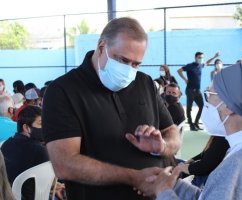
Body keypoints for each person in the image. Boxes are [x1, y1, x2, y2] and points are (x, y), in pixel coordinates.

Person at [42, 17, 181, 200]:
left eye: (136, 64)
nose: (129, 70)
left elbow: (172, 133)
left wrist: (161, 147)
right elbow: (65, 164)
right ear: (101, 47)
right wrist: (133, 178)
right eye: (123, 60)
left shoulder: (143, 82)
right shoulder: (63, 91)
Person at [143, 62, 242, 200]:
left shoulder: (238, 165)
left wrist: (163, 192)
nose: (207, 102)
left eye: (210, 95)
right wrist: (175, 186)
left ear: (229, 107)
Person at [1, 105, 48, 199]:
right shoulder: (40, 150)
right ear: (26, 128)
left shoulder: (5, 144)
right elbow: (46, 184)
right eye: (41, 124)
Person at [177, 51, 220, 131]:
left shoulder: (201, 65)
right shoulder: (190, 66)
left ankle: (196, 123)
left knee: (202, 107)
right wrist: (185, 79)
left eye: (202, 57)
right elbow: (179, 70)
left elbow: (207, 62)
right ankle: (191, 125)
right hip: (190, 90)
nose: (201, 59)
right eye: (199, 57)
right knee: (189, 108)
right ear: (195, 58)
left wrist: (214, 57)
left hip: (198, 91)